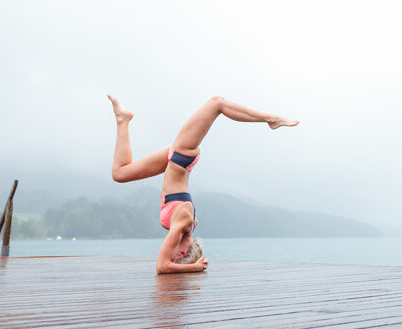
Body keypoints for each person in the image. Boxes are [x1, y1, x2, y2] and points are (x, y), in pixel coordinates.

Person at [107, 94, 298, 273]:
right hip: (182, 154)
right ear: (183, 253)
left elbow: (171, 257)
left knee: (120, 173)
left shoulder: (186, 226)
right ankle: (271, 119)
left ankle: (123, 120)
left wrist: (196, 259)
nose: (170, 252)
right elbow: (161, 266)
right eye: (177, 257)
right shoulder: (183, 224)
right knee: (217, 103)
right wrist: (195, 266)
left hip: (173, 159)